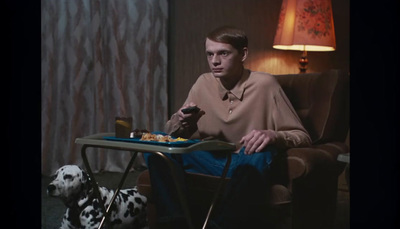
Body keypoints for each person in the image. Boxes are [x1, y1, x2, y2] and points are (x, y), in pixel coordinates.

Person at [144, 26, 311, 228]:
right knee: (156, 140)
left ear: (243, 54)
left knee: (261, 150)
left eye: (223, 53)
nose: (214, 61)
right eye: (210, 54)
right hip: (210, 160)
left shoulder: (265, 84)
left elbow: (302, 136)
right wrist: (182, 121)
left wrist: (272, 135)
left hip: (248, 161)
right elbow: (173, 134)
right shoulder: (203, 83)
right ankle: (174, 221)